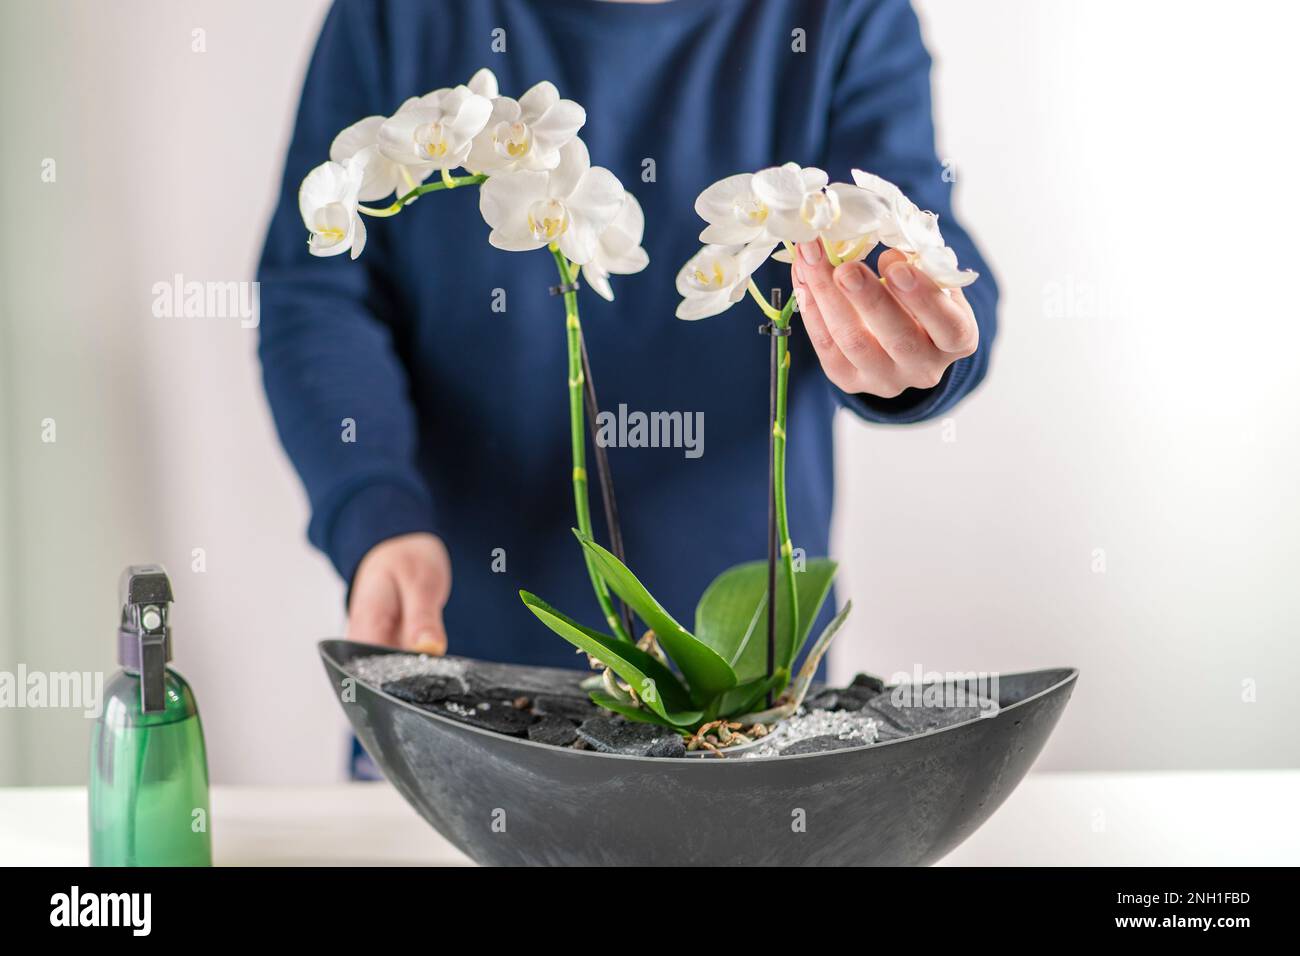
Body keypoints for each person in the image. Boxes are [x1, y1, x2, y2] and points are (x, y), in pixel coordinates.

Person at [257, 0, 997, 667]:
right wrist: (375, 514)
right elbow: (313, 293)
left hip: (746, 678)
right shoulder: (394, 14)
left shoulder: (845, 14)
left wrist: (912, 340)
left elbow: (912, 222)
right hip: (454, 645)